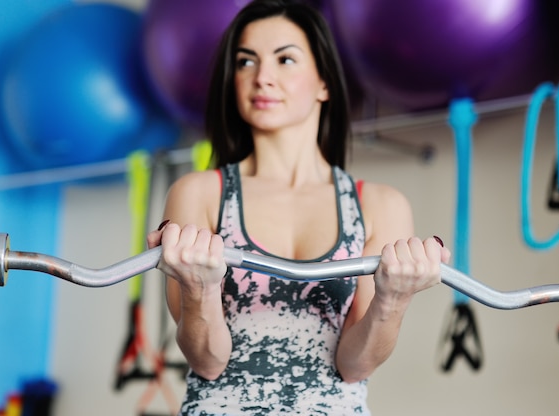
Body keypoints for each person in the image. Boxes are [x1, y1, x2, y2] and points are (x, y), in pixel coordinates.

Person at [147, 0, 451, 414]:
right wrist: (199, 289)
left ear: (324, 81)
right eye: (245, 62)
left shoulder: (380, 205)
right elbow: (208, 361)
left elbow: (354, 365)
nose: (262, 78)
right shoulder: (199, 194)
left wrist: (393, 300)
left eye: (285, 59)